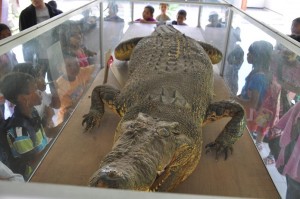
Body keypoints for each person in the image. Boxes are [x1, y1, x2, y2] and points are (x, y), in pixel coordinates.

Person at [0, 72, 48, 180]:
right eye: (35, 89)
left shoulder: (33, 112)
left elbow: (45, 133)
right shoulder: (19, 131)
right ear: (23, 98)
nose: (39, 92)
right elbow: (34, 162)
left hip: (47, 161)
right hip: (37, 177)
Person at [233, 41, 273, 151]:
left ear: (258, 57)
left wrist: (233, 98)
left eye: (250, 53)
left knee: (244, 136)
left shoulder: (258, 78)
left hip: (249, 116)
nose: (247, 55)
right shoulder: (257, 71)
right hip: (248, 113)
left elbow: (252, 103)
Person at [13, 63, 61, 129]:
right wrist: (48, 118)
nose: (43, 79)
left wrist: (54, 91)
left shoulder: (41, 93)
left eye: (42, 75)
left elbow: (56, 105)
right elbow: (44, 130)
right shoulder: (31, 102)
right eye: (39, 76)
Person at [269, 102, 300, 198]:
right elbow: (283, 123)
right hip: (293, 161)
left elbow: (281, 124)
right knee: (293, 189)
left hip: (294, 162)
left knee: (293, 189)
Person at [55, 53, 95, 125]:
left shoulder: (81, 72)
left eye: (77, 63)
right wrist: (86, 91)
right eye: (69, 65)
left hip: (81, 107)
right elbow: (69, 109)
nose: (74, 68)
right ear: (59, 68)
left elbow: (96, 67)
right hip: (66, 119)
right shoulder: (59, 87)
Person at [0, 23, 18, 121]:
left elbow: (15, 67)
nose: (7, 38)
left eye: (8, 35)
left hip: (11, 88)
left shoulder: (9, 51)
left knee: (14, 112)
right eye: (3, 36)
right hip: (3, 90)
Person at [223, 27, 244, 95]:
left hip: (232, 78)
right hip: (225, 76)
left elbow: (237, 65)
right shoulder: (225, 46)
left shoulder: (239, 50)